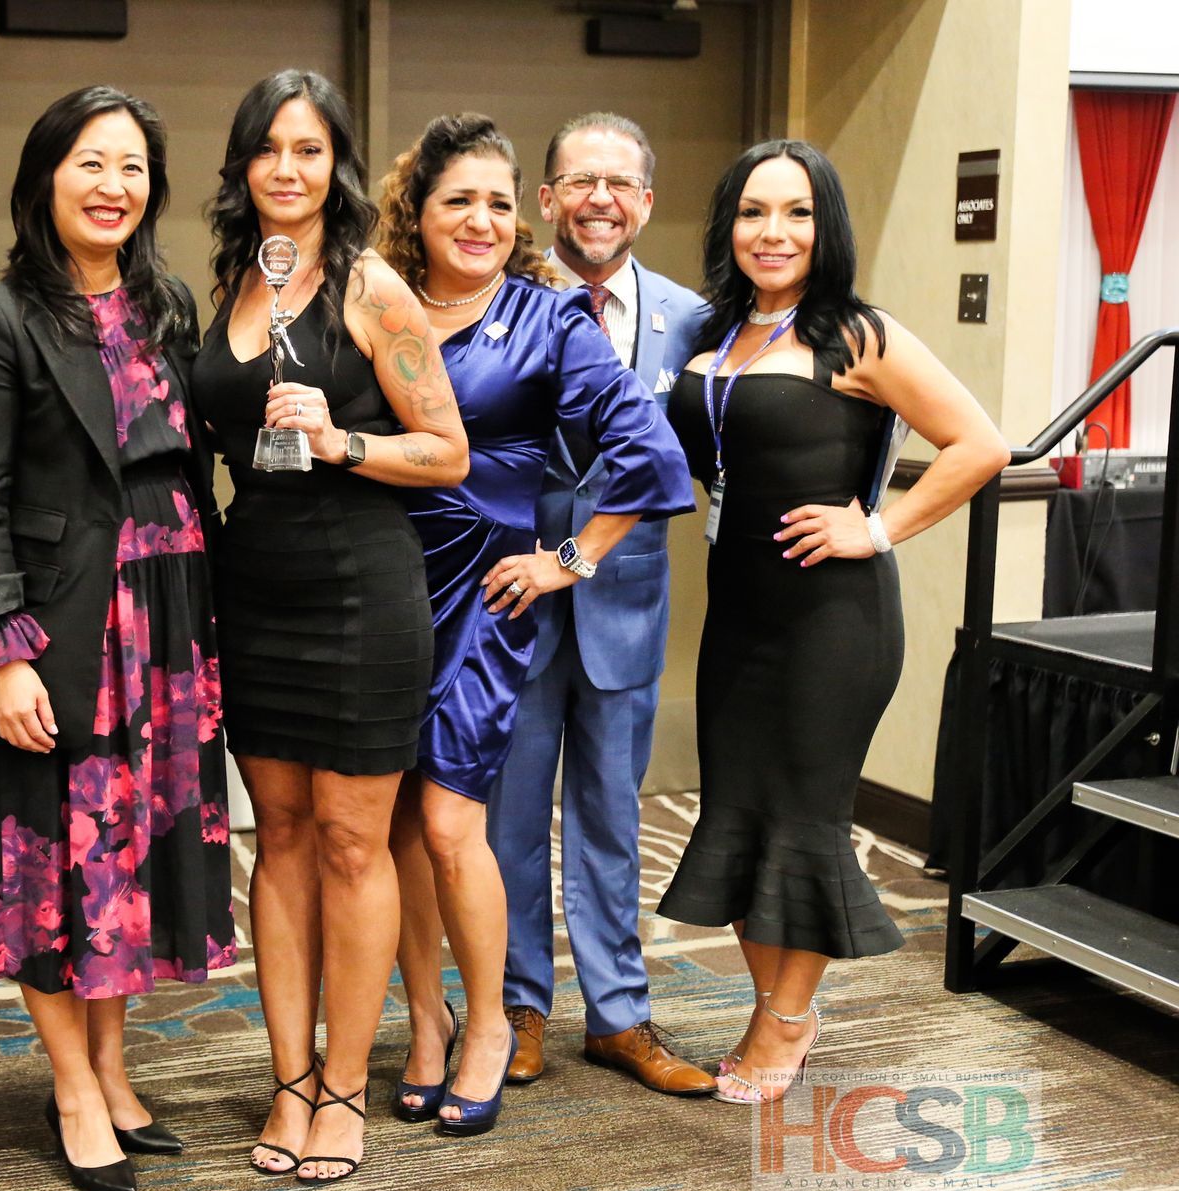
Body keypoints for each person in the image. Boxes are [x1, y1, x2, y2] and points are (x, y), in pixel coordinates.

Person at [656, 139, 1007, 1103]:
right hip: (739, 616)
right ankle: (781, 1008)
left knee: (803, 820)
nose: (774, 233)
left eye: (798, 213)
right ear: (728, 224)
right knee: (738, 816)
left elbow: (979, 443)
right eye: (754, 212)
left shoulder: (858, 334)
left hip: (832, 623)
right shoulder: (720, 332)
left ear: (828, 228)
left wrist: (880, 529)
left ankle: (783, 1022)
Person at [373, 114, 692, 1135]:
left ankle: (496, 1029)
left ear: (525, 220)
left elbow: (650, 454)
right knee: (390, 830)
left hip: (483, 602)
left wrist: (569, 558)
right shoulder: (370, 305)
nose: (481, 219)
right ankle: (429, 1020)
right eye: (457, 199)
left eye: (499, 203)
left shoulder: (549, 320)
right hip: (376, 599)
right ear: (412, 213)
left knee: (450, 823)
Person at [0, 85, 233, 1191]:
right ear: (44, 178)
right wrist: (3, 648)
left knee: (133, 859)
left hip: (169, 616)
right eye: (89, 165)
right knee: (57, 863)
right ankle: (68, 1084)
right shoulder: (2, 315)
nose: (113, 187)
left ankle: (114, 1070)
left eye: (132, 167)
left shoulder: (165, 303)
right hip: (63, 623)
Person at [190, 70, 469, 1185]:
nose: (288, 170)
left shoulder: (372, 288)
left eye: (309, 150)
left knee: (356, 843)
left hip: (361, 591)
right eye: (268, 149)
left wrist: (345, 438)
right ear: (243, 166)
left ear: (336, 165)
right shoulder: (230, 283)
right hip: (253, 588)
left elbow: (447, 452)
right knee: (283, 840)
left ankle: (345, 1084)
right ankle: (288, 1077)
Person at [480, 112, 716, 1096]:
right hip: (511, 602)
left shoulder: (691, 319)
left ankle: (620, 1015)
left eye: (620, 183)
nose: (600, 200)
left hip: (626, 605)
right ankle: (517, 1009)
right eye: (580, 181)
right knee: (509, 824)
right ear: (547, 200)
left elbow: (704, 459)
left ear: (646, 203)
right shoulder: (496, 304)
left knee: (613, 819)